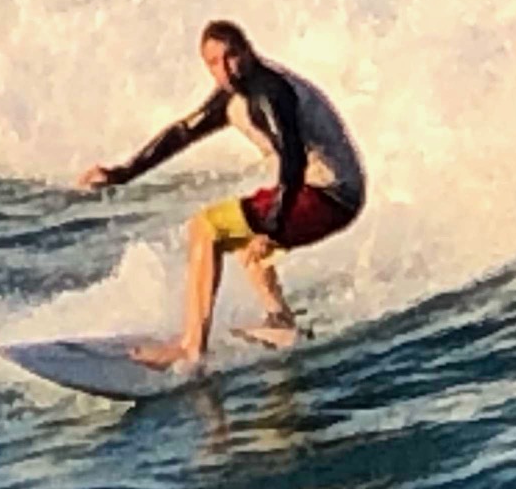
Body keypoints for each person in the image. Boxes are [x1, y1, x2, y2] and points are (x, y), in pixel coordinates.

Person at [79, 20, 365, 369]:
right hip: (320, 191)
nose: (225, 70)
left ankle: (191, 348)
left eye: (231, 57)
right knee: (241, 234)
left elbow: (293, 160)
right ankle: (280, 320)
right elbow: (182, 133)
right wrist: (122, 173)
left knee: (208, 226)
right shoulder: (232, 95)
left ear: (247, 51)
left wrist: (273, 226)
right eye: (214, 63)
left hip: (329, 195)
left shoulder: (270, 92)